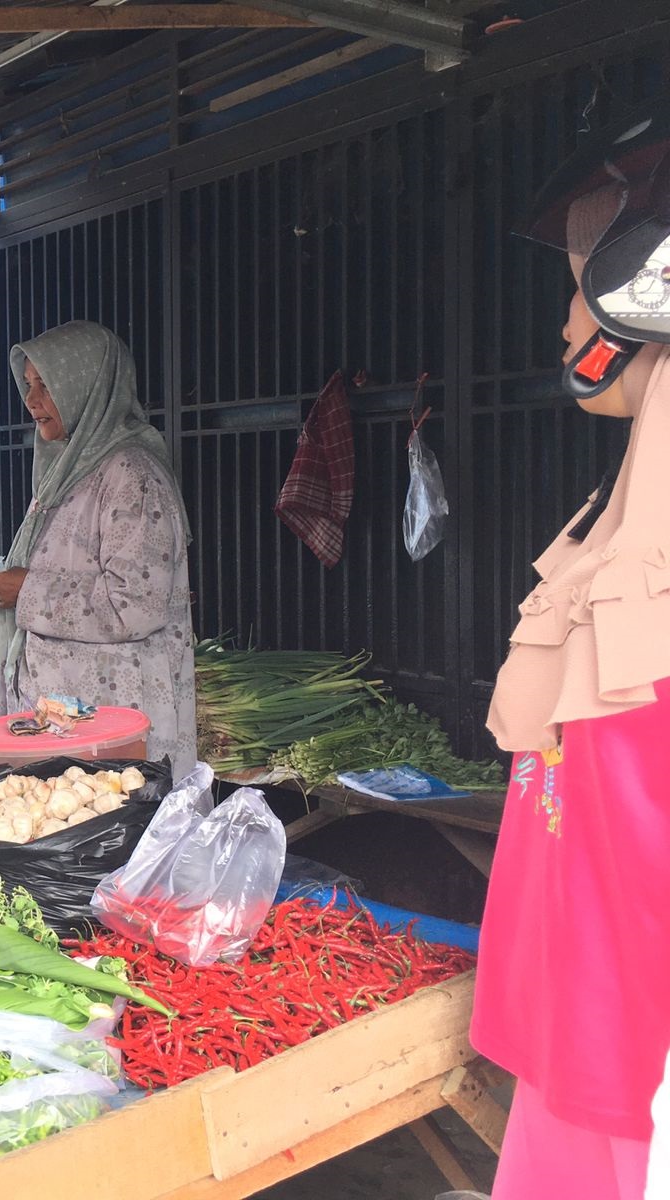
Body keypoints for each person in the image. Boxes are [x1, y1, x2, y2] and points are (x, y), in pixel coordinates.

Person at [474, 109, 670, 1199]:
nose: (564, 329)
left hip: (635, 1001)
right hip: (591, 967)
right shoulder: (624, 495)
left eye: (582, 285)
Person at [0, 321, 198, 769]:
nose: (31, 402)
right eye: (28, 385)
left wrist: (24, 591)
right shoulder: (67, 469)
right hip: (65, 724)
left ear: (86, 387)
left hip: (112, 728)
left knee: (113, 830)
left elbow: (136, 606)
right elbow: (57, 567)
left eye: (46, 386)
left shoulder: (133, 478)